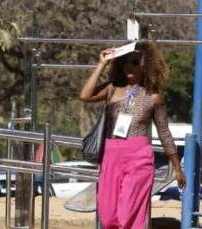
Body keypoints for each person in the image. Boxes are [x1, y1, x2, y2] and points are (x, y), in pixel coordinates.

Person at [79, 41, 186, 229]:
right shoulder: (112, 88)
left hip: (139, 155)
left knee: (128, 214)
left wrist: (177, 167)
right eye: (125, 62)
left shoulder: (154, 96)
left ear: (147, 65)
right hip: (111, 154)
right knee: (108, 216)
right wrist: (102, 64)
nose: (129, 66)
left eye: (135, 62)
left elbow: (164, 132)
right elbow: (85, 95)